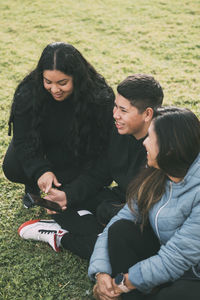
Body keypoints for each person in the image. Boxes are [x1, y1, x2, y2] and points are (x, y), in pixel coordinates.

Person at [17, 74, 164, 260]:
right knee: (66, 200)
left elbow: (154, 210)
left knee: (114, 249)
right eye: (115, 106)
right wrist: (67, 197)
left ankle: (62, 236)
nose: (115, 115)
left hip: (143, 215)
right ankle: (92, 229)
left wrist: (107, 212)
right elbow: (100, 171)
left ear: (148, 114)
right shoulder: (119, 129)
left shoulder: (165, 143)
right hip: (120, 198)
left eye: (123, 110)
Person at [88, 107, 200, 300]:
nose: (144, 143)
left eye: (150, 137)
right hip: (164, 258)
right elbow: (121, 218)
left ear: (170, 149)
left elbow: (178, 256)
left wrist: (123, 283)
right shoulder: (157, 173)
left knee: (175, 295)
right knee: (120, 230)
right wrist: (101, 273)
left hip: (193, 274)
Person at [3, 42, 114, 207]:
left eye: (62, 83)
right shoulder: (28, 92)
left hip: (79, 151)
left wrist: (74, 190)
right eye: (48, 81)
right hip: (44, 145)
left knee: (74, 185)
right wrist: (40, 171)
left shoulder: (99, 97)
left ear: (77, 77)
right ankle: (34, 182)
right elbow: (23, 139)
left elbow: (103, 150)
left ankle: (67, 188)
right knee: (13, 165)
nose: (55, 89)